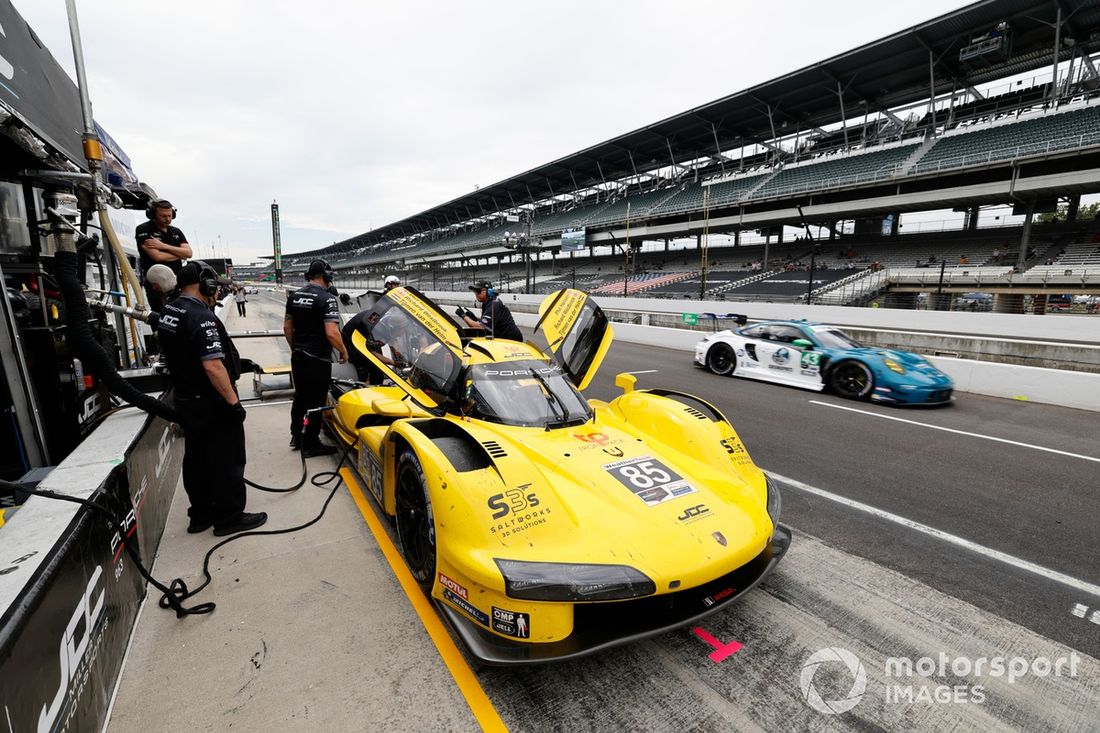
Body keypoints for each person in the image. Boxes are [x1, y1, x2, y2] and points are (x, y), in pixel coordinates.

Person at [156, 261, 266, 536]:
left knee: (196, 459)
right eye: (213, 285)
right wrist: (233, 403)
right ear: (206, 285)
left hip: (187, 400)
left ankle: (201, 515)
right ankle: (229, 518)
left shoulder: (170, 310)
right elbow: (212, 366)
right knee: (227, 460)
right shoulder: (200, 316)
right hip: (211, 401)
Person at [284, 259, 348, 456]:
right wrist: (343, 351)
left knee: (300, 396)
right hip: (318, 358)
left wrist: (295, 348)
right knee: (317, 400)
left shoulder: (294, 296)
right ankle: (311, 443)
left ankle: (296, 436)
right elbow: (331, 332)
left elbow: (287, 327)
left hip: (298, 356)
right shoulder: (327, 299)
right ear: (326, 276)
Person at [136, 199, 193, 312]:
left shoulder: (176, 231)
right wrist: (179, 254)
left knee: (180, 314)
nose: (167, 219)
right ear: (153, 214)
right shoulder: (144, 229)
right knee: (160, 316)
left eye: (170, 216)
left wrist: (163, 246)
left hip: (177, 283)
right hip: (157, 285)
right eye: (163, 216)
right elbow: (157, 256)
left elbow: (189, 253)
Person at [458, 281, 523, 341]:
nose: (476, 294)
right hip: (504, 339)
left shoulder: (494, 305)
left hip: (512, 340)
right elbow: (487, 322)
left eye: (478, 291)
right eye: (475, 291)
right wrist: (474, 318)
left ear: (489, 291)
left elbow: (480, 328)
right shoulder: (489, 302)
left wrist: (464, 316)